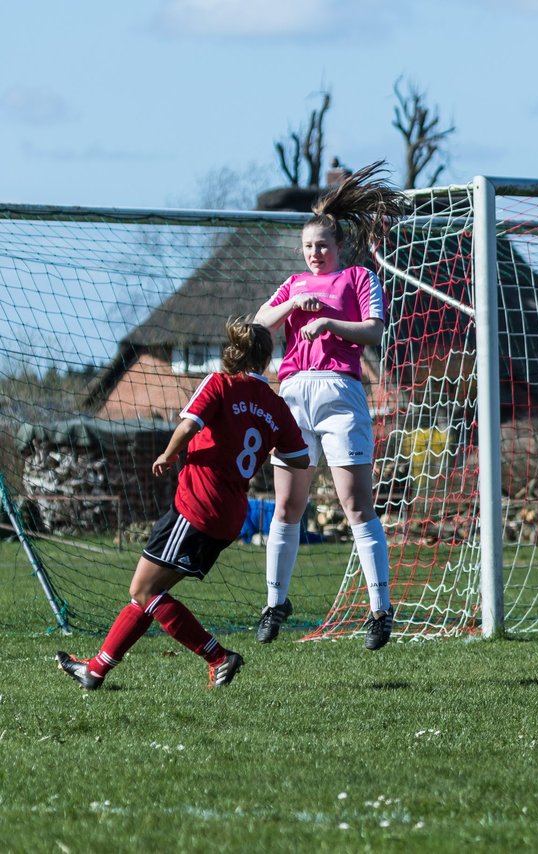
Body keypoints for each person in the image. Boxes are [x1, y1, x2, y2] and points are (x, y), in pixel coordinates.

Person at [57, 319, 309, 690]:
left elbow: (189, 425)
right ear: (266, 358)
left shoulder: (220, 384)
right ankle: (94, 671)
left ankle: (219, 657)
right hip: (229, 515)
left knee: (143, 591)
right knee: (148, 594)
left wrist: (168, 454)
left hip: (197, 507)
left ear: (232, 352)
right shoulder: (275, 406)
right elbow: (300, 459)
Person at [252, 161, 405, 650]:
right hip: (294, 395)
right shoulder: (293, 285)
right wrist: (295, 309)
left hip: (340, 394)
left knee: (355, 504)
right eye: (307, 248)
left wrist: (333, 326)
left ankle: (380, 611)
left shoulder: (357, 278)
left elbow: (375, 330)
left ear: (338, 247)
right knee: (288, 504)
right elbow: (260, 324)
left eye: (322, 246)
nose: (315, 254)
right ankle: (275, 602)